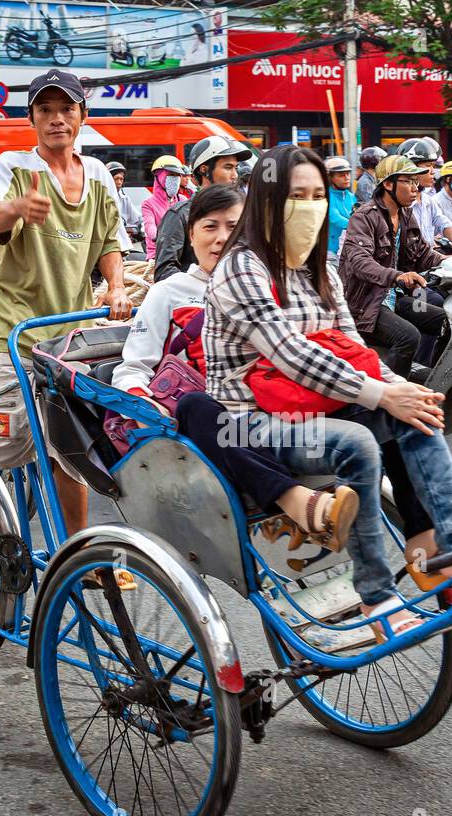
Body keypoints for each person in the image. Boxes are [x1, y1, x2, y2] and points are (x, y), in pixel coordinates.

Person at [204, 145, 452, 637]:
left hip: (314, 402)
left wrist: (401, 390)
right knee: (359, 442)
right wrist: (379, 395)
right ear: (267, 201)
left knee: (417, 414)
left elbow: (354, 348)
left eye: (316, 196)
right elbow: (292, 354)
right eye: (296, 196)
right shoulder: (241, 268)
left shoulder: (319, 267)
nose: (309, 207)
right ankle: (376, 593)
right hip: (248, 420)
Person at [0, 68, 131, 558]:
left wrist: (118, 286)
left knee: (73, 442)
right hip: (13, 324)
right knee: (18, 426)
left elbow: (109, 242)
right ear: (32, 118)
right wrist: (20, 206)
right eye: (46, 110)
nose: (57, 119)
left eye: (67, 109)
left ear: (82, 115)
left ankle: (78, 554)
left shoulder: (100, 175)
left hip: (70, 329)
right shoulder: (14, 166)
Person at [110, 184, 360, 549]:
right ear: (191, 233)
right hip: (204, 420)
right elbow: (132, 366)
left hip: (268, 411)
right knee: (198, 406)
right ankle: (293, 502)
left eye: (234, 227)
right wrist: (140, 399)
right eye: (210, 227)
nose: (221, 239)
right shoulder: (169, 292)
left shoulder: (268, 284)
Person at [339, 154, 446, 379]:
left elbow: (423, 253)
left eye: (416, 182)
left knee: (448, 322)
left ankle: (435, 379)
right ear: (388, 184)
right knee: (408, 336)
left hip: (393, 296)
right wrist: (397, 276)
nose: (415, 188)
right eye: (408, 181)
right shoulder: (364, 217)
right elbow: (360, 262)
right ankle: (394, 395)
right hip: (365, 302)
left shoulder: (405, 214)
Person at [154, 135, 251, 281]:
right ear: (204, 170)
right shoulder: (179, 215)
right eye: (228, 167)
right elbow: (164, 272)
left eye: (236, 168)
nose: (235, 175)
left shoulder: (244, 212)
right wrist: (202, 286)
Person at [396, 139, 452, 251]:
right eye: (428, 165)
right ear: (410, 167)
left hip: (430, 260)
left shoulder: (428, 201)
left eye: (433, 166)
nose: (433, 171)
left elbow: (450, 231)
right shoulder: (399, 206)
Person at [140, 154, 188, 261]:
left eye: (177, 175)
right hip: (157, 256)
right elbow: (149, 227)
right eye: (171, 174)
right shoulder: (148, 204)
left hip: (181, 253)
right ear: (159, 176)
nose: (175, 179)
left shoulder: (183, 200)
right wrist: (162, 236)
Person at [324, 155, 356, 260]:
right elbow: (334, 217)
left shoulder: (351, 196)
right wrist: (358, 226)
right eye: (341, 175)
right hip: (330, 251)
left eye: (348, 174)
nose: (346, 178)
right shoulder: (326, 196)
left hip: (349, 248)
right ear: (330, 178)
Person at [105, 161, 142, 240]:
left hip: (123, 242)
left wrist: (143, 225)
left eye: (121, 179)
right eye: (116, 179)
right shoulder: (100, 197)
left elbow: (136, 218)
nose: (119, 182)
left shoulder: (125, 199)